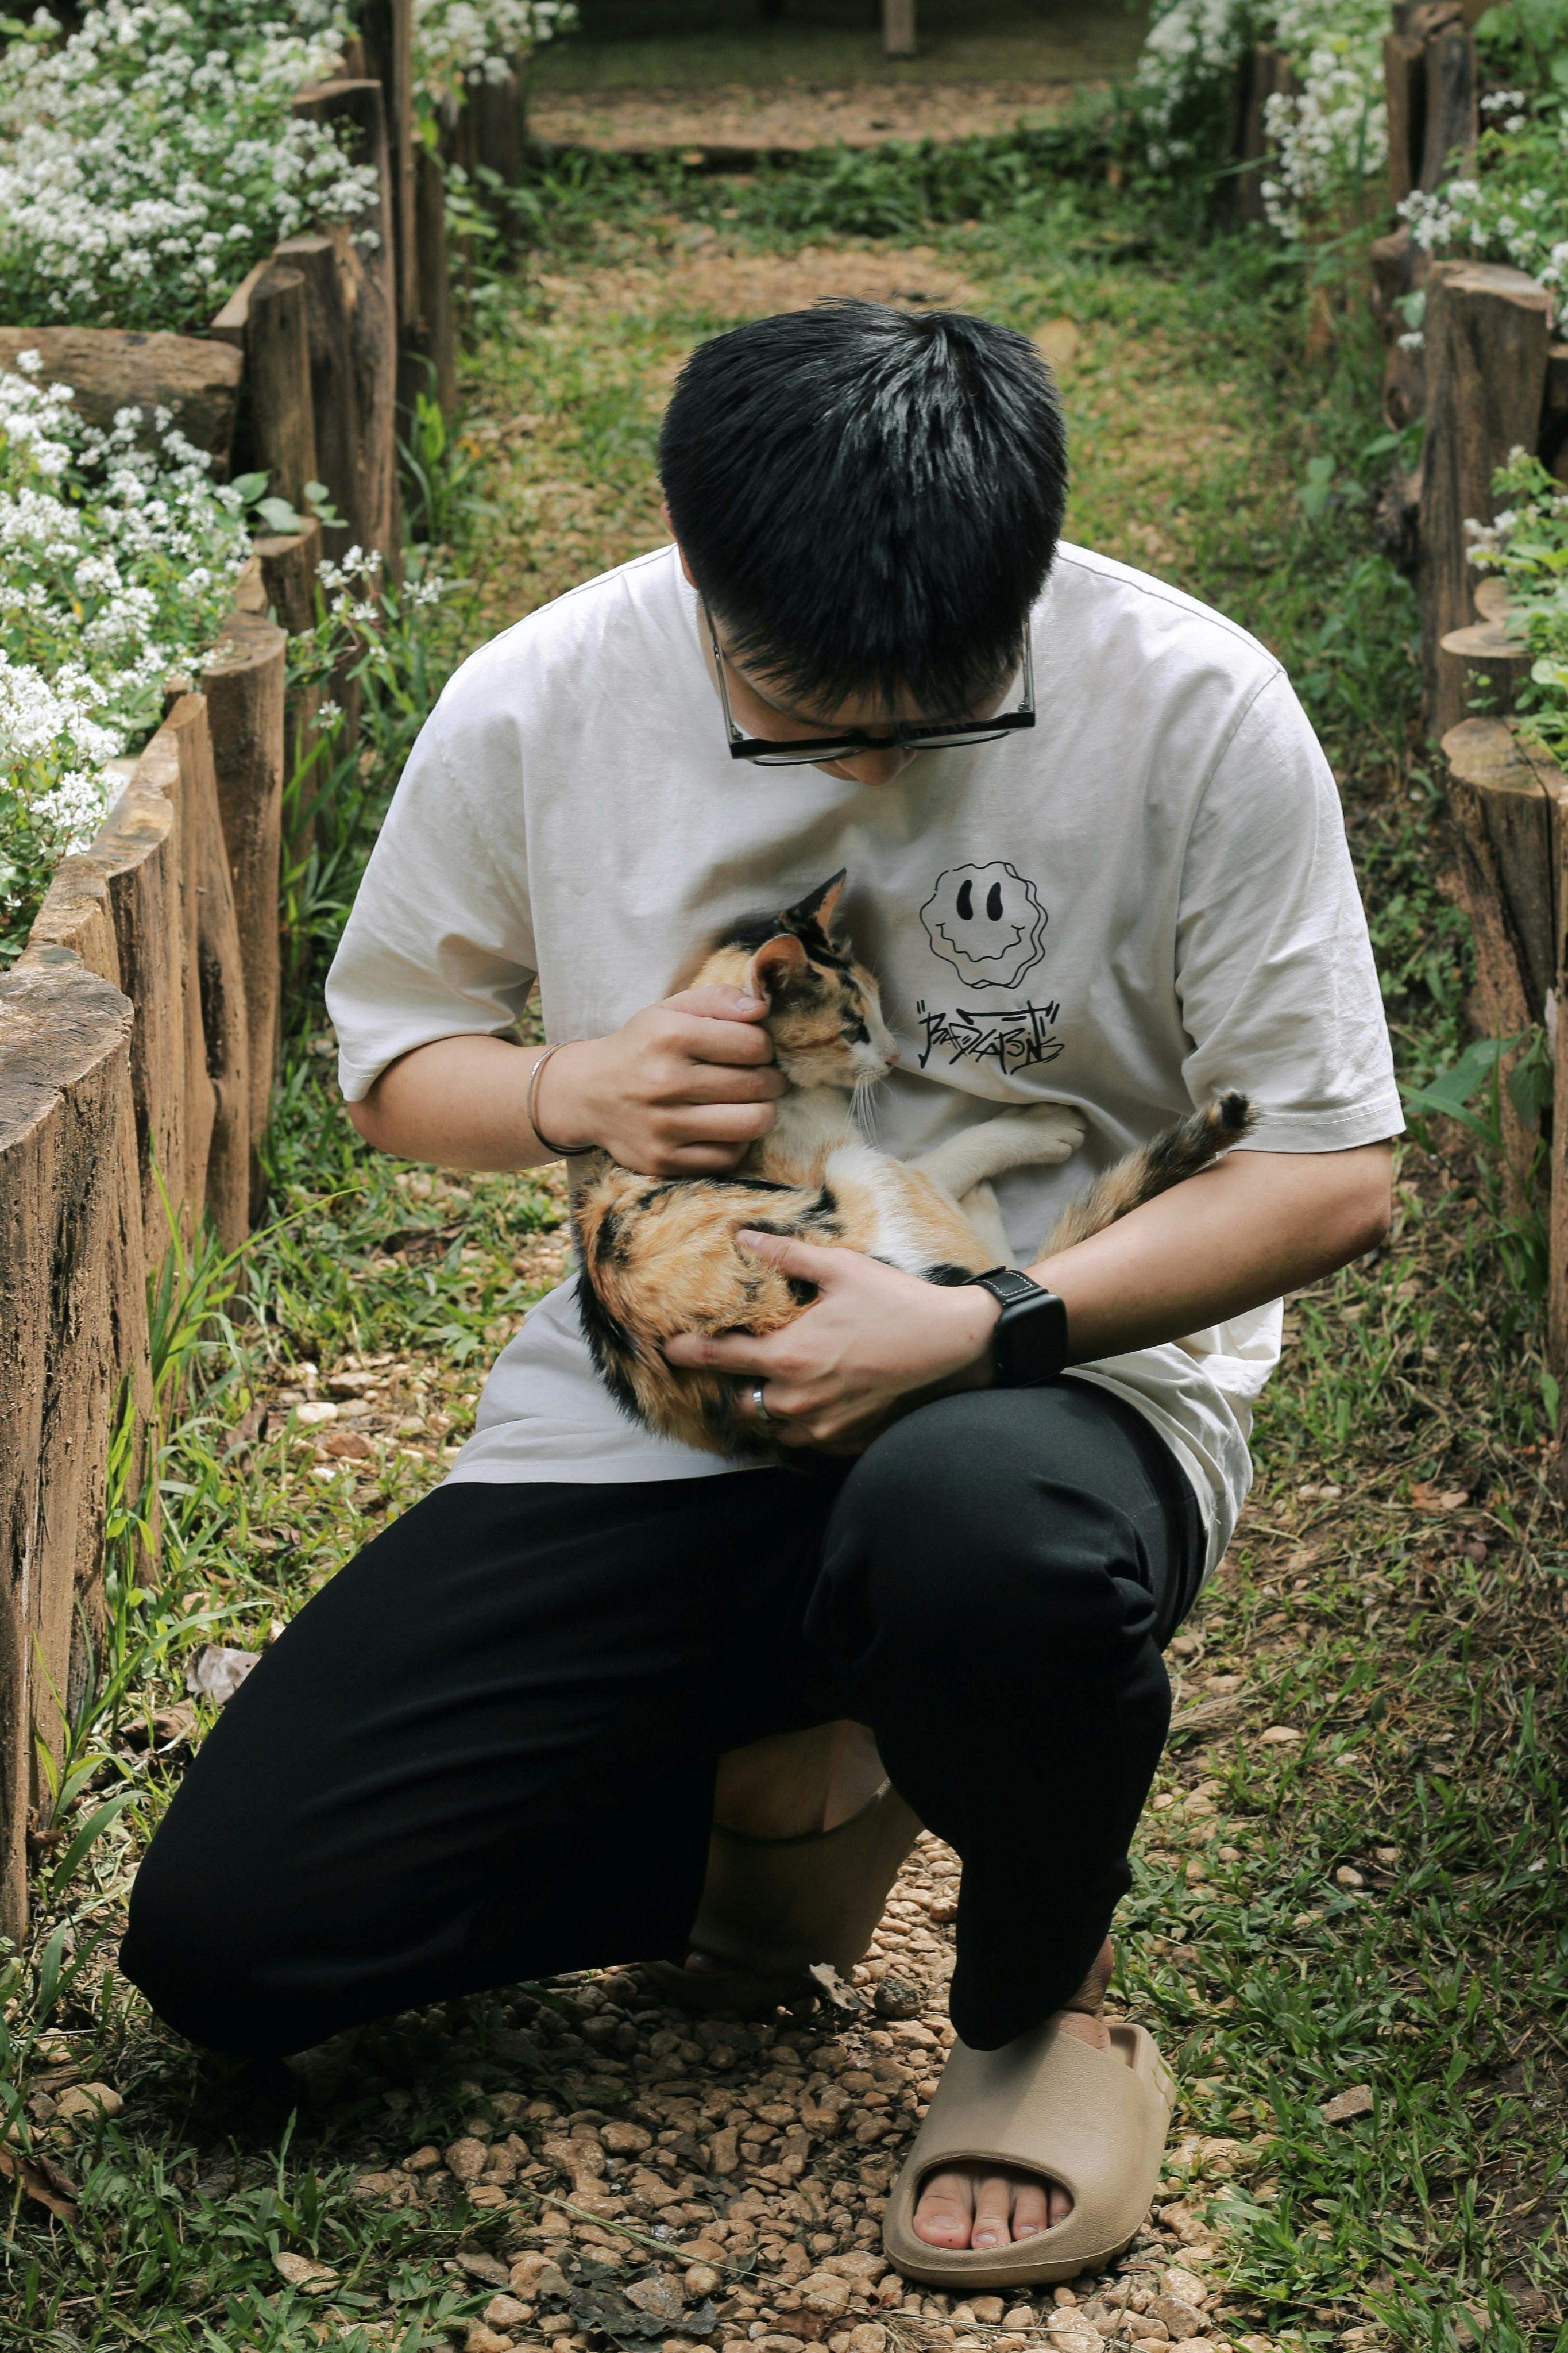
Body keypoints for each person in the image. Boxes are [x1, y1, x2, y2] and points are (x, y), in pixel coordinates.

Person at [122, 300, 1397, 2281]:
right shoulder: (547, 692)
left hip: (1049, 1382)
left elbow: (1331, 1171)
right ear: (691, 569)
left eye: (933, 711)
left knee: (984, 1538)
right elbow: (392, 1065)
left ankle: (1036, 2012)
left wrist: (988, 1329)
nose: (872, 761)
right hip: (663, 1410)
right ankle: (802, 1770)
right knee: (237, 1948)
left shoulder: (1195, 705)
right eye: (808, 705)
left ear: (1033, 576)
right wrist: (570, 1084)